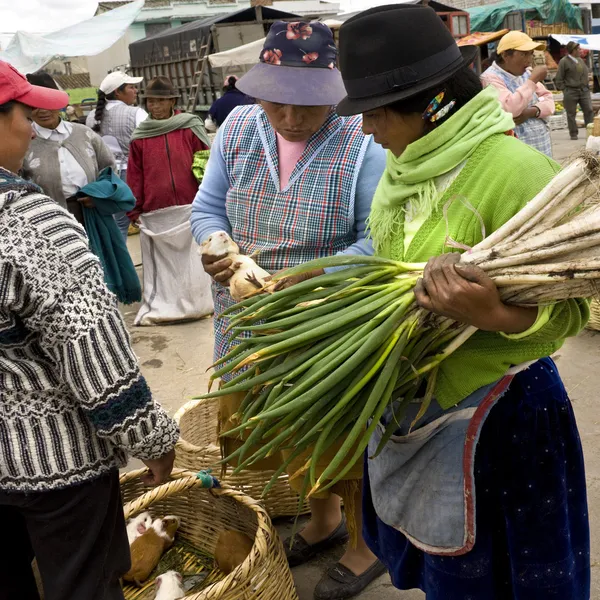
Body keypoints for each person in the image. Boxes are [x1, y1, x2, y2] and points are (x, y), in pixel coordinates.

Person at [337, 5, 589, 600]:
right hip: (416, 408)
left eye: (374, 113)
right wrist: (327, 283)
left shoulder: (515, 171)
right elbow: (384, 250)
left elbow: (573, 306)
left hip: (504, 417)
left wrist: (493, 316)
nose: (367, 130)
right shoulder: (402, 169)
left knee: (512, 580)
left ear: (430, 103)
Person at [191, 21, 387, 600]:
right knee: (281, 420)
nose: (293, 118)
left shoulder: (363, 140)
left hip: (326, 315)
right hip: (246, 310)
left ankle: (365, 543)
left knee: (338, 423)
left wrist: (305, 277)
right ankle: (322, 520)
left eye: (309, 105)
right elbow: (206, 209)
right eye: (279, 103)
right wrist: (216, 248)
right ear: (259, 91)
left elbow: (376, 239)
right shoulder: (237, 129)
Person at [0, 60, 179, 600]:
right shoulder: (27, 222)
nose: (31, 129)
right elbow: (90, 349)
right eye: (23, 116)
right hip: (53, 462)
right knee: (85, 586)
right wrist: (153, 440)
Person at [23, 72, 115, 223]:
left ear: (59, 102)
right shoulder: (23, 142)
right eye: (34, 105)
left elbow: (109, 170)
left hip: (93, 216)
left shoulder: (85, 134)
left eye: (48, 102)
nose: (42, 110)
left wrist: (99, 195)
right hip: (48, 223)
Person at [127, 76, 210, 221]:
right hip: (156, 210)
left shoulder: (190, 127)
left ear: (172, 101)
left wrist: (210, 199)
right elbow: (135, 176)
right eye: (151, 102)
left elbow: (206, 164)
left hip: (193, 205)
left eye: (161, 101)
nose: (156, 106)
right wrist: (134, 211)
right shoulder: (140, 136)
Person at [86, 71, 148, 239]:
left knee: (112, 224)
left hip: (103, 177)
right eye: (131, 87)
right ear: (117, 92)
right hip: (130, 175)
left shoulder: (92, 116)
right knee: (123, 223)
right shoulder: (136, 113)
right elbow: (147, 145)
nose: (135, 91)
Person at [481, 31, 555, 156]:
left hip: (541, 146)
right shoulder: (490, 79)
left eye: (531, 54)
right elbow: (510, 108)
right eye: (524, 54)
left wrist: (532, 111)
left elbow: (548, 100)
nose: (529, 60)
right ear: (505, 55)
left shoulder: (526, 74)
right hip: (517, 153)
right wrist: (532, 81)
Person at [555, 41, 594, 141]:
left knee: (589, 110)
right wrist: (565, 89)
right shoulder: (564, 61)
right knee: (571, 113)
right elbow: (559, 78)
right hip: (571, 91)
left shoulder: (580, 60)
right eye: (578, 49)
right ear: (572, 50)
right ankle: (573, 133)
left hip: (584, 90)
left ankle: (590, 132)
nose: (580, 51)